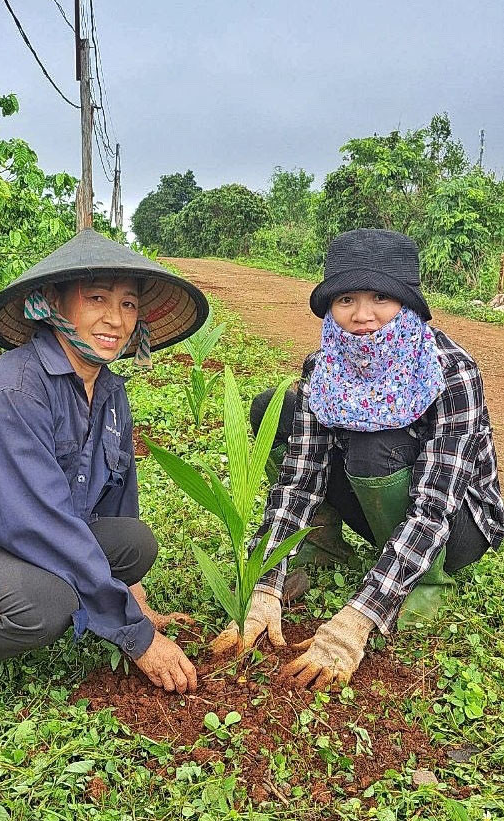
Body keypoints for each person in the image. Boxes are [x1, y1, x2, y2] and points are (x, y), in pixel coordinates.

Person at [0, 228, 209, 713]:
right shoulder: (14, 390)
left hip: (13, 537)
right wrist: (137, 638)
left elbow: (116, 498)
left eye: (128, 305)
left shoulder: (111, 392)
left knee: (134, 542)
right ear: (53, 303)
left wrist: (135, 603)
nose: (114, 320)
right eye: (97, 298)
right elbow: (37, 523)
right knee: (46, 604)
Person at [212, 228, 504, 689]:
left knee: (373, 444)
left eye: (381, 299)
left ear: (407, 304)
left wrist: (357, 620)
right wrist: (263, 584)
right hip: (382, 499)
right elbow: (299, 479)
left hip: (457, 523)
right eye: (346, 299)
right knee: (275, 407)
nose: (362, 316)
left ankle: (426, 583)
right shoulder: (323, 366)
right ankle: (321, 540)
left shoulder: (451, 370)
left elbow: (434, 505)